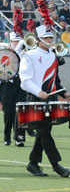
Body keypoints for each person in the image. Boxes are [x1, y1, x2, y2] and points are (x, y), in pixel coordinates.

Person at [19, 0, 70, 177]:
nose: (50, 40)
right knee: (44, 131)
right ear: (38, 39)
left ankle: (33, 163)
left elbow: (54, 81)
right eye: (46, 38)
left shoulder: (52, 56)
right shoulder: (29, 55)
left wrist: (63, 92)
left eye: (51, 38)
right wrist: (39, 92)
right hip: (35, 99)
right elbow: (25, 80)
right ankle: (57, 165)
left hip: (50, 98)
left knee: (44, 132)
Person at [2, 9, 27, 147]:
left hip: (20, 85)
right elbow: (10, 60)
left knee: (20, 112)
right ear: (10, 42)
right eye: (14, 41)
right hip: (7, 85)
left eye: (18, 41)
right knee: (8, 113)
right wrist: (18, 48)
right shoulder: (5, 52)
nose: (16, 44)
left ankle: (19, 137)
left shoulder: (24, 53)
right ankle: (7, 136)